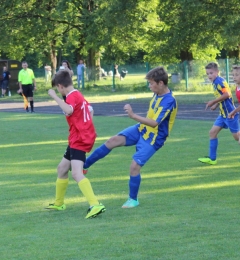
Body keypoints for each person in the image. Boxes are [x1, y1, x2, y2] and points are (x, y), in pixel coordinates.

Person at [83, 66, 177, 208]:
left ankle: (133, 199)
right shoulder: (158, 93)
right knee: (112, 141)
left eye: (151, 83)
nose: (149, 86)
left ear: (161, 83)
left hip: (154, 138)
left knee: (134, 167)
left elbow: (154, 123)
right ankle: (84, 166)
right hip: (141, 129)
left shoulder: (169, 101)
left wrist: (133, 115)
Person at [46, 69, 106, 219]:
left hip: (79, 138)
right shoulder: (78, 95)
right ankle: (59, 203)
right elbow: (90, 110)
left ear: (60, 86)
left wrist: (54, 97)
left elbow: (69, 109)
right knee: (62, 168)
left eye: (57, 89)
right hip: (78, 136)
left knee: (76, 173)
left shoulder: (72, 96)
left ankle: (95, 204)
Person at [198, 62, 240, 165]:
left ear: (217, 72)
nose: (209, 76)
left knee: (237, 138)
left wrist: (213, 101)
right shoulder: (216, 82)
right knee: (212, 133)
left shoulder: (219, 82)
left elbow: (227, 94)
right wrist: (216, 105)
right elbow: (223, 97)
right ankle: (212, 159)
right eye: (207, 74)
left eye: (211, 73)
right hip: (223, 114)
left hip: (230, 114)